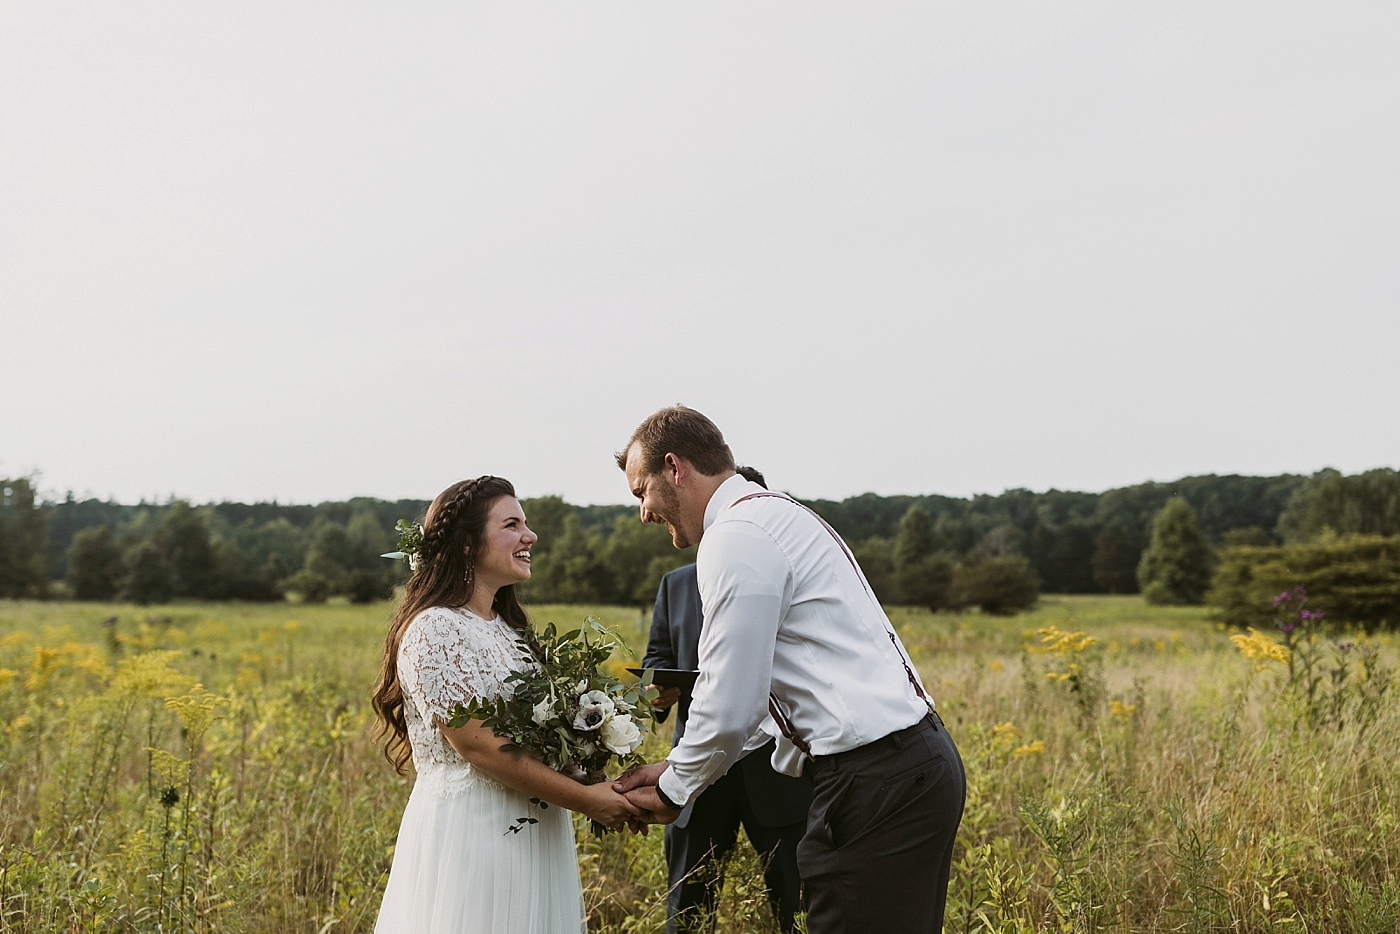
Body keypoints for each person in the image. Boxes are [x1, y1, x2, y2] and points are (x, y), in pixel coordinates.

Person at [613, 408, 966, 934]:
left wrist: (674, 790)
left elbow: (730, 706)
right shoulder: (773, 516)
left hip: (874, 778)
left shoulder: (735, 537)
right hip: (902, 767)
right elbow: (762, 706)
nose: (643, 512)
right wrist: (675, 770)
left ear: (675, 468)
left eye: (642, 491)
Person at [371, 476, 644, 934]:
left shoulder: (510, 632)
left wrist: (603, 783)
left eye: (527, 524)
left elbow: (533, 744)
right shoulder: (435, 630)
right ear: (466, 545)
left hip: (534, 828)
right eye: (512, 524)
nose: (530, 535)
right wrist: (587, 802)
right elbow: (478, 746)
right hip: (475, 831)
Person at [646, 466, 812, 933]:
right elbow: (656, 656)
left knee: (797, 909)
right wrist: (656, 694)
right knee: (689, 909)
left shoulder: (781, 571)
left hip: (777, 774)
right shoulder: (675, 585)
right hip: (697, 774)